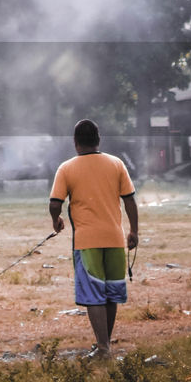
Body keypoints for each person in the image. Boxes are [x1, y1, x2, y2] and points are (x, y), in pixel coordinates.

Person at [48, 119, 139, 359]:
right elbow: (129, 199)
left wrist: (56, 221)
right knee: (110, 294)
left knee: (93, 295)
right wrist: (134, 231)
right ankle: (104, 345)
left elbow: (55, 203)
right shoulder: (116, 164)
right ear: (98, 140)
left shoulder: (66, 168)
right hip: (115, 238)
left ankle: (103, 348)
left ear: (75, 142)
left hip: (86, 242)